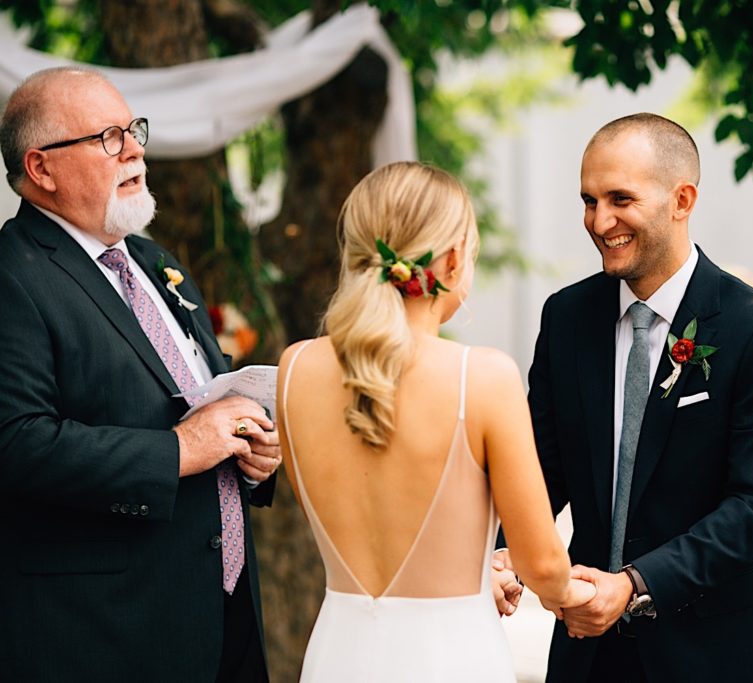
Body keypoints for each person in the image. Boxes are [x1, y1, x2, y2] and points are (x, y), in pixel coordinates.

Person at [0, 67, 281, 682]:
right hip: (106, 633)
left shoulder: (154, 261)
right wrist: (181, 450)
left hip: (223, 609)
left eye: (133, 130)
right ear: (41, 169)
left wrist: (253, 453)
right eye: (107, 137)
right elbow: (16, 444)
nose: (134, 150)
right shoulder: (13, 273)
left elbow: (204, 398)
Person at [520, 113, 753, 682]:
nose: (600, 221)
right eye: (588, 200)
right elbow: (540, 468)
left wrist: (634, 583)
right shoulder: (566, 317)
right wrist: (507, 553)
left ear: (682, 200)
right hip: (590, 655)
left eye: (620, 199)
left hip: (720, 652)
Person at [276, 161, 595, 681]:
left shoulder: (294, 370)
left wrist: (471, 571)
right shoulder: (482, 377)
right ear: (451, 262)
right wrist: (587, 595)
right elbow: (542, 565)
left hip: (337, 654)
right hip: (452, 658)